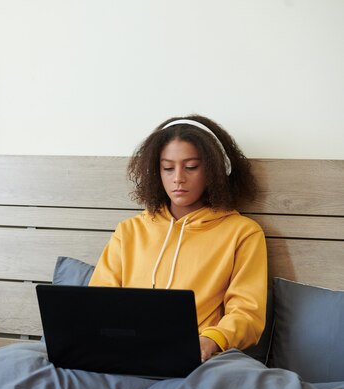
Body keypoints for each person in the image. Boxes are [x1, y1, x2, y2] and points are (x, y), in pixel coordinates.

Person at [89, 115, 267, 362]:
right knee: (25, 357)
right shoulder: (129, 230)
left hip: (195, 358)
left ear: (215, 170)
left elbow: (247, 313)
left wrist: (212, 340)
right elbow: (98, 301)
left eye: (191, 166)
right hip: (124, 353)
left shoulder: (242, 233)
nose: (178, 178)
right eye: (168, 168)